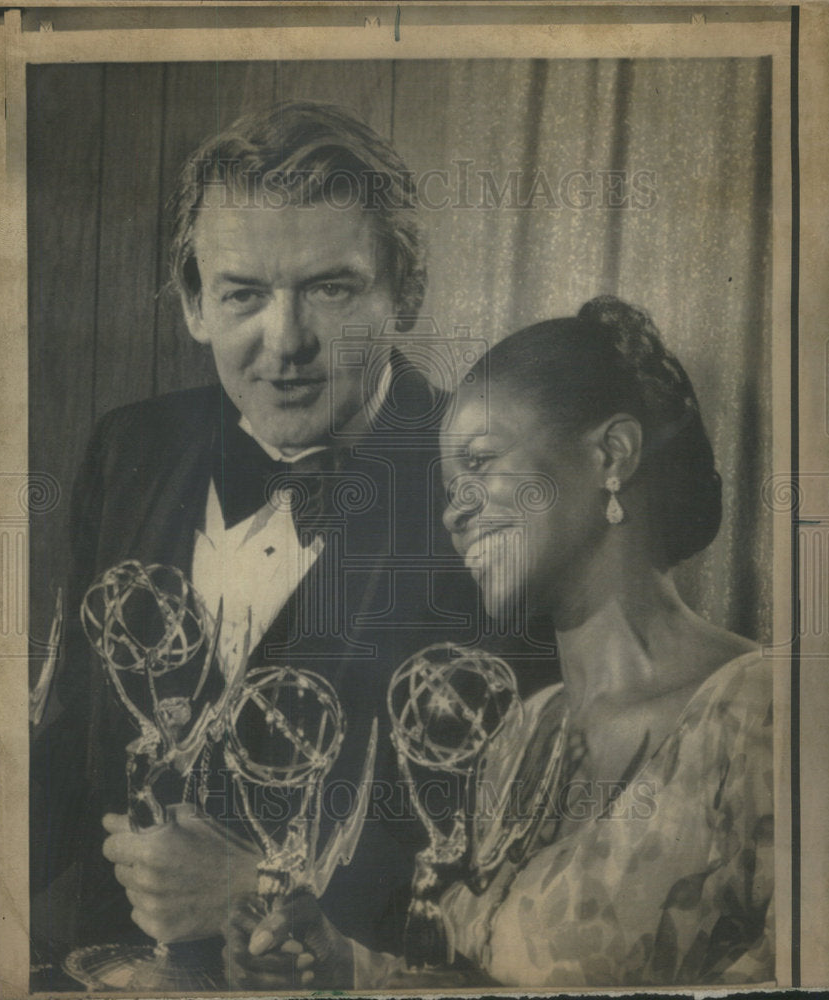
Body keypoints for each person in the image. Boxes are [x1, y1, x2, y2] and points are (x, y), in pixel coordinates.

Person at [29, 101, 497, 984]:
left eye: (331, 289)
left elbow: (502, 869)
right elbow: (72, 735)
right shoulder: (128, 447)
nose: (286, 344)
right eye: (243, 293)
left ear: (405, 294)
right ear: (195, 304)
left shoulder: (479, 493)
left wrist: (263, 887)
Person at [227, 295, 774, 989]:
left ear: (612, 454)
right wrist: (340, 962)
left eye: (480, 463)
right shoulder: (522, 735)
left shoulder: (767, 713)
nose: (454, 511)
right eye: (448, 486)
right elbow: (482, 972)